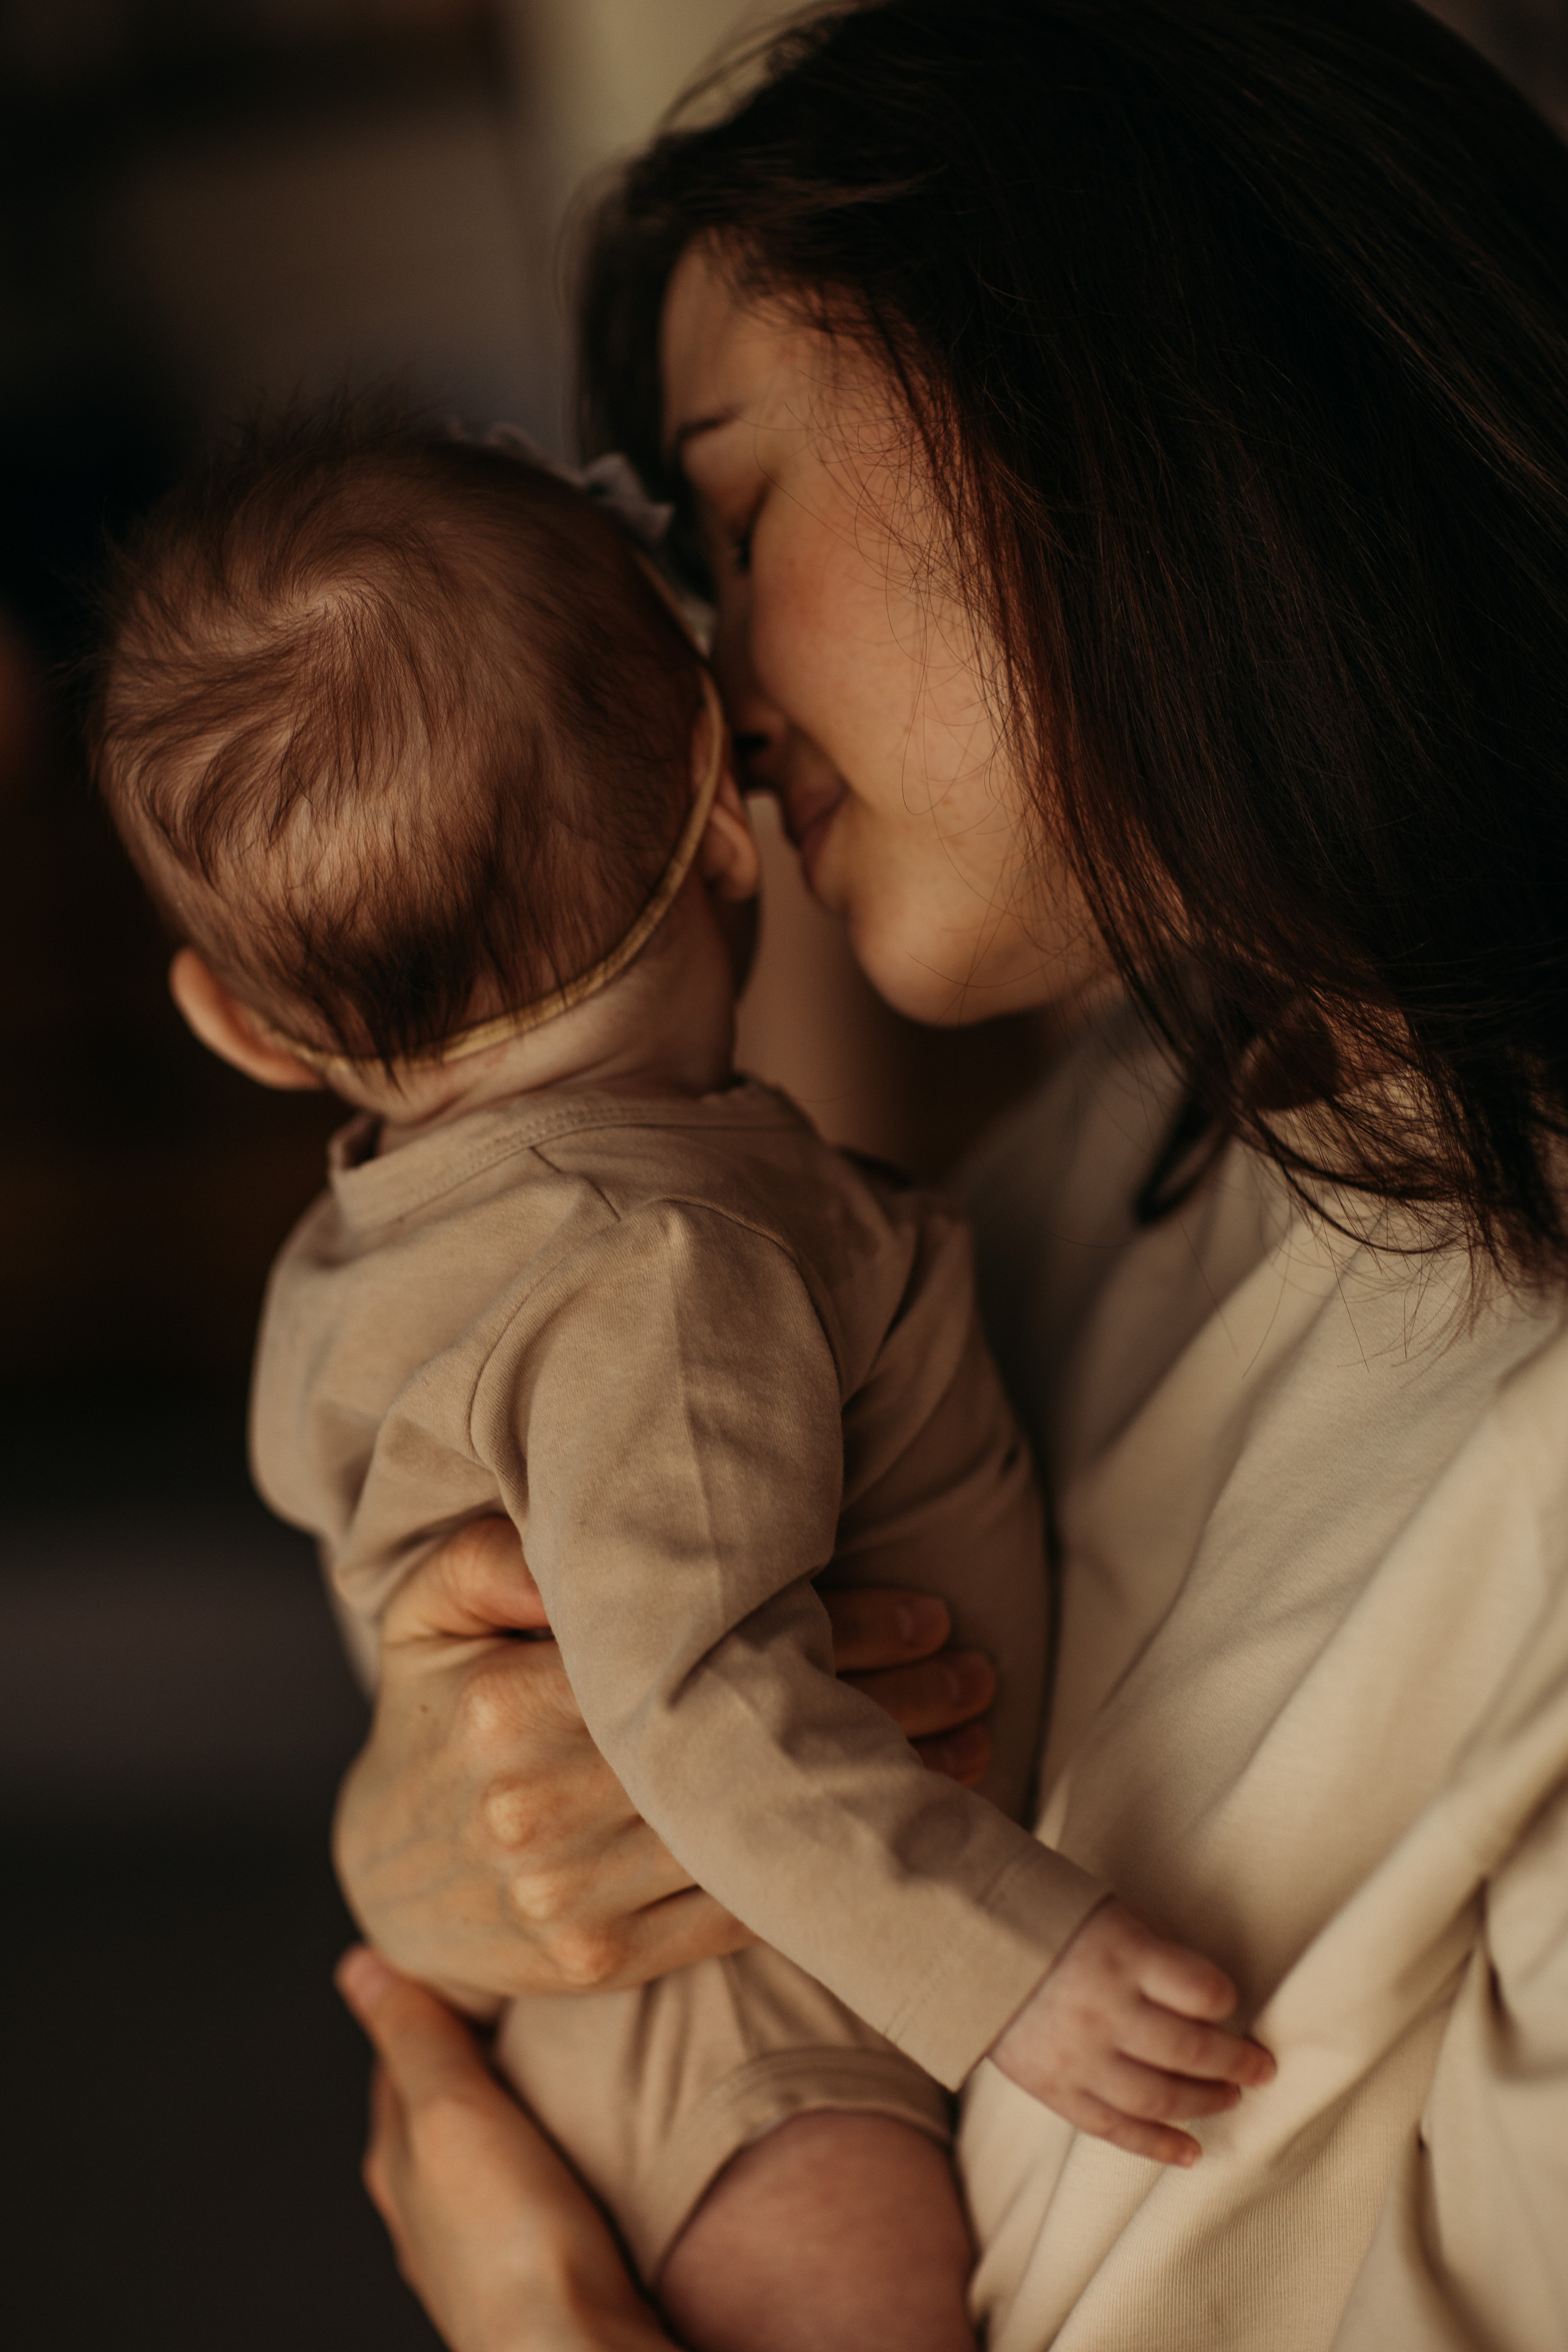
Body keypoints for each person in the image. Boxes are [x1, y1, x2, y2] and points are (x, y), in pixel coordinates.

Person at [314, 0, 1568, 2343]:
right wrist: (463, 1833)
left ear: (1121, 391)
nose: (699, 670)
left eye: (740, 507)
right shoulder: (1153, 1138)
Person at [90, 402, 1272, 2348]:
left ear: (242, 1027)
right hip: (762, 2052)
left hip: (614, 2020)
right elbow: (693, 1693)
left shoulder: (365, 1249)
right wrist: (1016, 1973)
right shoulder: (654, 1260)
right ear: (725, 808)